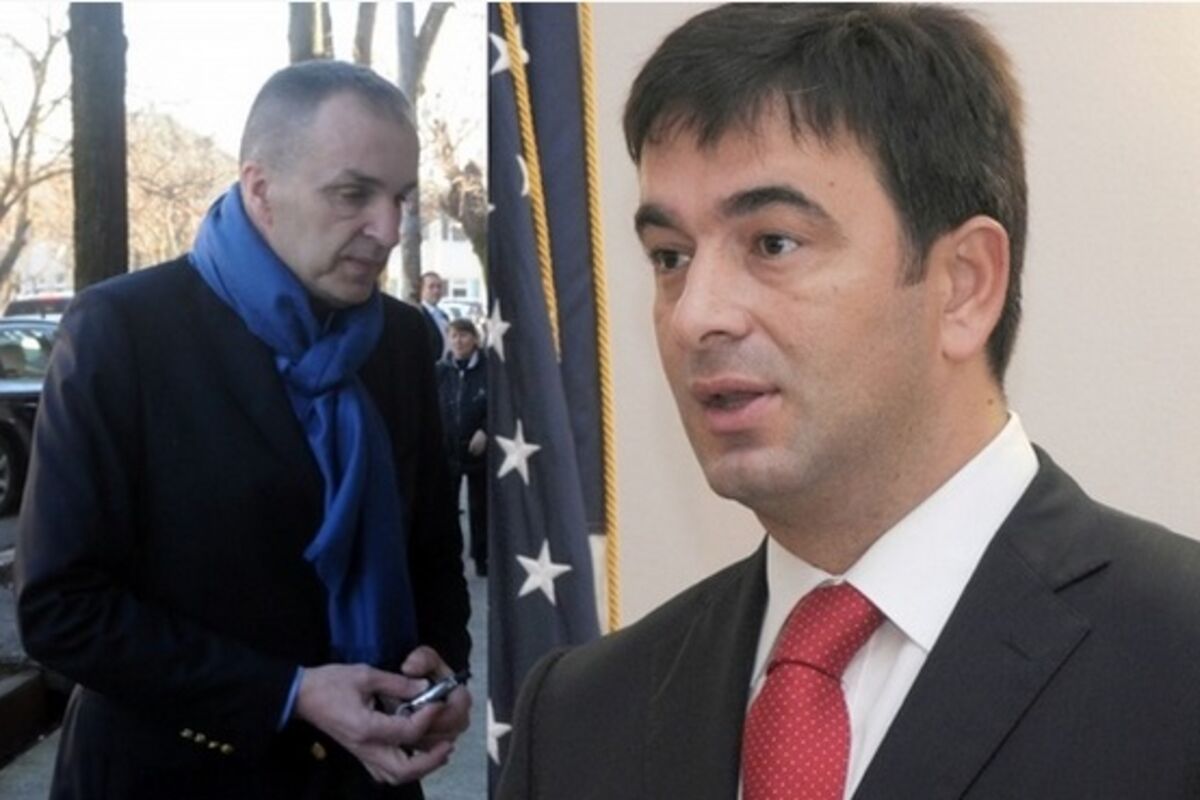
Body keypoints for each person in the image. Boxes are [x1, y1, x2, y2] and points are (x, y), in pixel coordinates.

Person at [497, 5, 1200, 799]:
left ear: (964, 285)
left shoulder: (1179, 664)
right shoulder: (579, 714)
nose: (695, 315)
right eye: (670, 257)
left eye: (773, 243)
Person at [16, 60, 471, 800]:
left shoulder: (401, 341)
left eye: (400, 199)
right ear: (260, 189)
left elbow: (433, 552)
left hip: (364, 782)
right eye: (353, 194)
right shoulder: (123, 332)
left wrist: (442, 671)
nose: (387, 230)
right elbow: (60, 609)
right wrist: (288, 691)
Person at [436, 318, 488, 577]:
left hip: (478, 450)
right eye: (454, 336)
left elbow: (499, 405)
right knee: (446, 508)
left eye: (464, 336)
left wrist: (486, 430)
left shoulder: (488, 370)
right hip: (448, 450)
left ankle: (481, 556)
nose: (458, 341)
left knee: (480, 507)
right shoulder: (440, 371)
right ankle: (450, 558)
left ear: (475, 339)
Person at [418, 271, 450, 361]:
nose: (436, 291)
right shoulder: (418, 315)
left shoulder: (444, 316)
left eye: (439, 287)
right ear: (421, 290)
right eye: (431, 287)